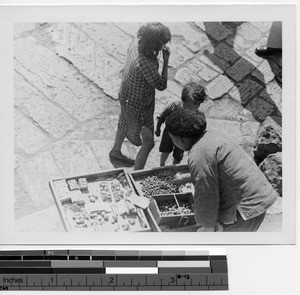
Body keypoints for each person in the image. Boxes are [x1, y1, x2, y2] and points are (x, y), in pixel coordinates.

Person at [165, 107, 279, 232]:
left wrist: (207, 226)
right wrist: (187, 177)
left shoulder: (199, 153)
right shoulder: (211, 135)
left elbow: (206, 195)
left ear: (181, 138)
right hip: (260, 193)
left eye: (172, 138)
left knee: (232, 245)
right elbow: (217, 171)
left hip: (248, 206)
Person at [109, 22, 171, 170]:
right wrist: (166, 61)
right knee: (149, 143)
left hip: (126, 94)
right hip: (139, 105)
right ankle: (137, 175)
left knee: (124, 122)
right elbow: (161, 85)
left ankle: (115, 151)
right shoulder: (147, 62)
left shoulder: (135, 42)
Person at [155, 82, 206, 166]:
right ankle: (162, 165)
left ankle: (174, 167)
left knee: (178, 155)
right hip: (169, 132)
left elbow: (201, 127)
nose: (191, 109)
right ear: (183, 100)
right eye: (189, 106)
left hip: (184, 136)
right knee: (165, 150)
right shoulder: (174, 105)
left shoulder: (199, 114)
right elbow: (162, 117)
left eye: (196, 105)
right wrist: (158, 129)